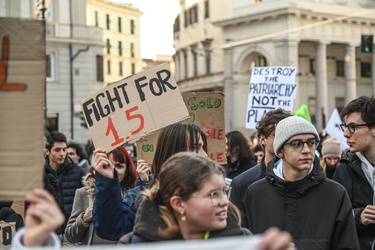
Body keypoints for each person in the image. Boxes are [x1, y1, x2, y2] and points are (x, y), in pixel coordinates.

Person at [119, 152, 293, 250]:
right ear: (179, 204)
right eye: (213, 194)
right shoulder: (133, 246)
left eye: (224, 192)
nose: (225, 202)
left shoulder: (244, 242)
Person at [243, 116, 359, 249]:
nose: (306, 150)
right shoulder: (256, 193)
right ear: (280, 150)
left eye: (311, 143)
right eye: (296, 144)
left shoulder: (335, 194)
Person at [92, 123, 208, 241]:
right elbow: (112, 229)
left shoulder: (216, 192)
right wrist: (106, 182)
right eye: (195, 147)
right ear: (174, 151)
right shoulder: (142, 196)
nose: (205, 154)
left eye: (203, 147)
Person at [64, 146, 139, 246]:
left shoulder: (135, 197)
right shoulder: (84, 194)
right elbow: (70, 236)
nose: (112, 169)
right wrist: (84, 219)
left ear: (127, 171)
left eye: (119, 166)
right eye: (106, 164)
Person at [333, 96, 375, 250]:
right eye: (345, 126)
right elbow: (333, 219)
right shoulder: (343, 170)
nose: (345, 134)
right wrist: (359, 217)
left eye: (353, 127)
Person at [230, 108, 291, 211]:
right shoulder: (242, 183)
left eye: (289, 136)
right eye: (278, 135)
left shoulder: (303, 177)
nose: (284, 140)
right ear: (263, 139)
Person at [44, 131, 86, 235]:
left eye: (64, 149)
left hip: (71, 233)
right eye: (57, 150)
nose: (62, 154)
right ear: (47, 151)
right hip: (48, 232)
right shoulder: (40, 174)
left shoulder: (79, 172)